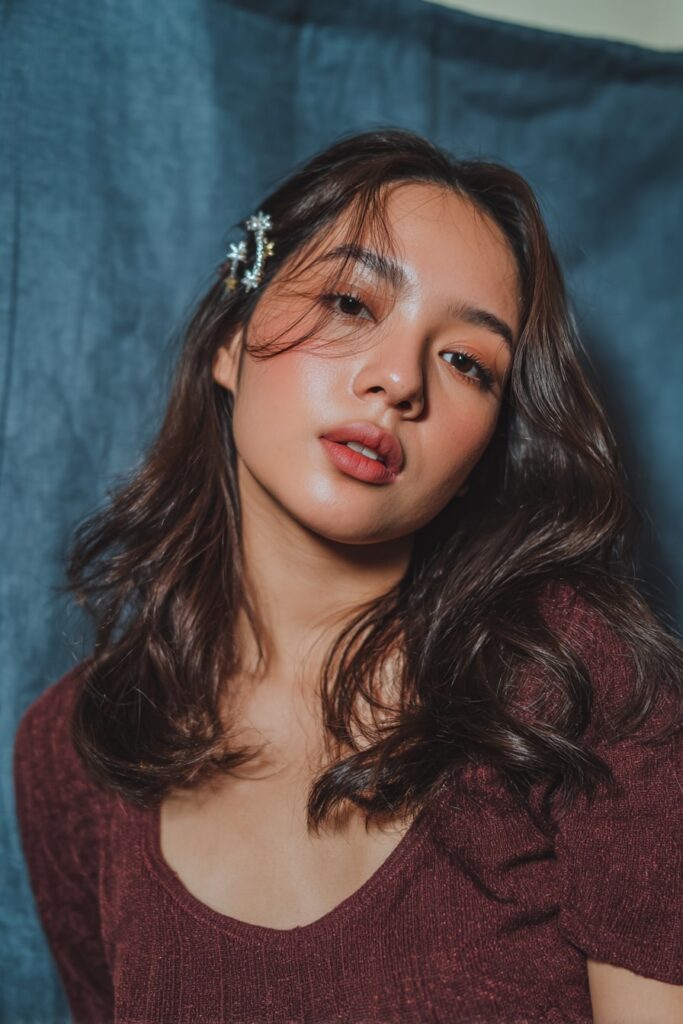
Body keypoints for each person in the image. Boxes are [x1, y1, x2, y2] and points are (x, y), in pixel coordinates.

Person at [13, 127, 683, 1024]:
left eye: (465, 362)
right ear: (228, 340)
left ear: (486, 446)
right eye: (350, 303)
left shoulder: (577, 679)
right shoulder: (72, 751)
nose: (398, 380)